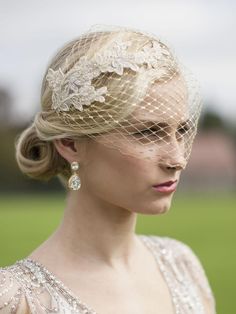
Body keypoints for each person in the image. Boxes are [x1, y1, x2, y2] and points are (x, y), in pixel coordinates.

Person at [0, 25, 216, 313]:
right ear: (70, 142)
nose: (178, 159)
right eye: (148, 132)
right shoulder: (18, 300)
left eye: (182, 131)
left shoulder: (181, 264)